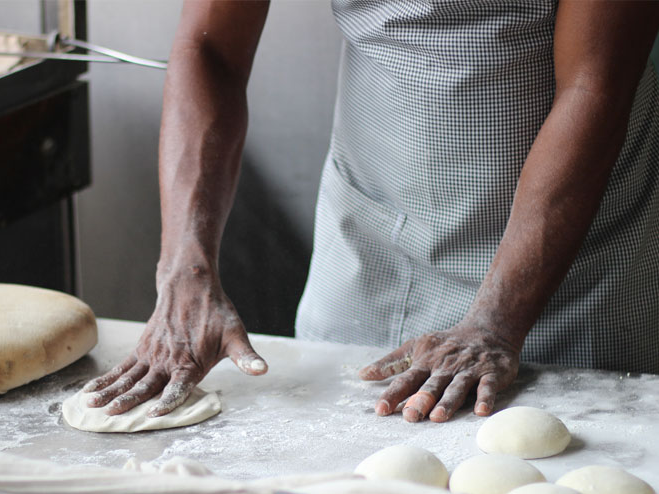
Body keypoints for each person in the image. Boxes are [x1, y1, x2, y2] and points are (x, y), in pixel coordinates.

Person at [82, 0, 659, 423]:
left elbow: (595, 84)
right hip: (370, 244)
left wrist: (498, 319)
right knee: (334, 475)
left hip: (570, 270)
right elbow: (210, 47)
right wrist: (186, 265)